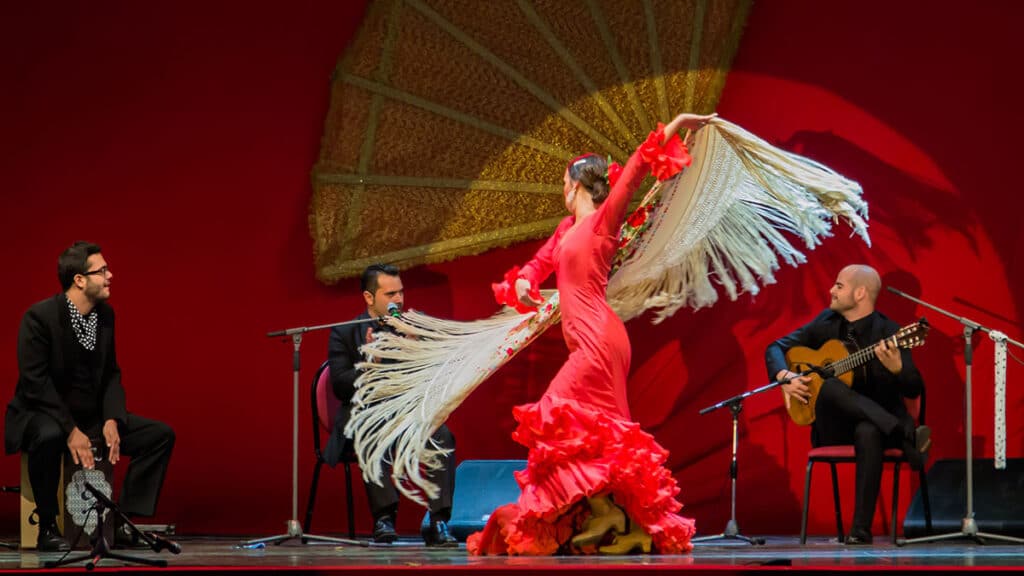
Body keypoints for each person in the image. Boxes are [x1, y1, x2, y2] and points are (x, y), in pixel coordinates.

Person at [466, 113, 715, 556]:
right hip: (589, 339)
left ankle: (608, 512)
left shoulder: (604, 221)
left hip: (599, 339)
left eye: (564, 182)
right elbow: (540, 263)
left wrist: (675, 123)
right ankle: (630, 522)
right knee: (602, 435)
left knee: (555, 413)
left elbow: (637, 169)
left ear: (577, 184)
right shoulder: (566, 230)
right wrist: (524, 279)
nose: (562, 191)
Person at [5, 241, 176, 551]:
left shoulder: (105, 316)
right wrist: (71, 430)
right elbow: (35, 383)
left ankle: (120, 522)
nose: (110, 275)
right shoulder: (40, 317)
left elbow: (111, 373)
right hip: (43, 412)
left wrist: (112, 417)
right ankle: (47, 527)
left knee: (159, 435)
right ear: (79, 279)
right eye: (102, 270)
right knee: (48, 434)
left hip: (90, 414)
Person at [765, 264, 930, 545]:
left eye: (839, 286)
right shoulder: (826, 322)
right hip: (833, 426)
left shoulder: (891, 332)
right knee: (828, 385)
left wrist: (897, 368)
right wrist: (785, 376)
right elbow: (775, 347)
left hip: (871, 429)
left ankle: (860, 531)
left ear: (860, 293)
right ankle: (902, 435)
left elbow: (914, 388)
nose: (832, 290)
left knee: (868, 430)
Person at [326, 263, 457, 547]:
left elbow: (436, 374)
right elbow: (340, 387)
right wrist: (370, 363)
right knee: (373, 431)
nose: (398, 300)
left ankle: (438, 521)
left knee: (441, 436)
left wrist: (417, 347)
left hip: (409, 412)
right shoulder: (345, 333)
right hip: (367, 413)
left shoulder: (416, 325)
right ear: (369, 298)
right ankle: (383, 518)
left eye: (401, 292)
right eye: (390, 294)